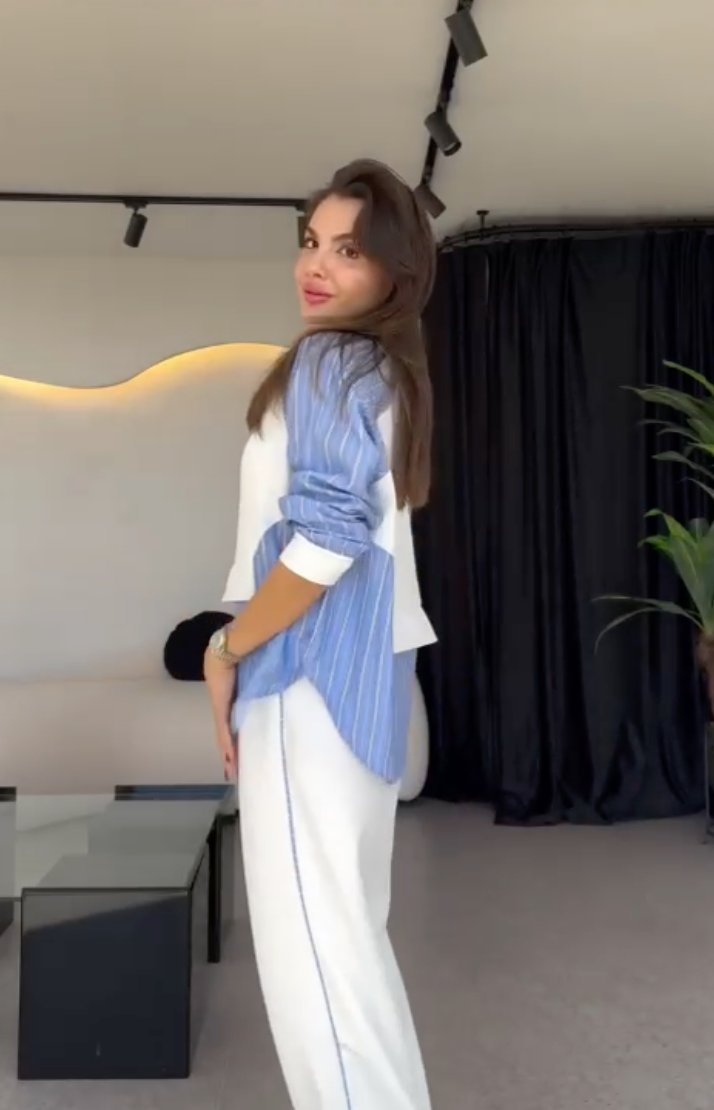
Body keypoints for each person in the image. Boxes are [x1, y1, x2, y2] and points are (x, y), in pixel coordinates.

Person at [204, 158, 437, 1110]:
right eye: (311, 242)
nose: (317, 265)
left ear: (395, 272)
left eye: (349, 250)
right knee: (348, 951)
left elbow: (330, 534)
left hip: (307, 685)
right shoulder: (384, 372)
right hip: (361, 686)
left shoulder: (330, 363)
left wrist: (227, 650)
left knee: (317, 971)